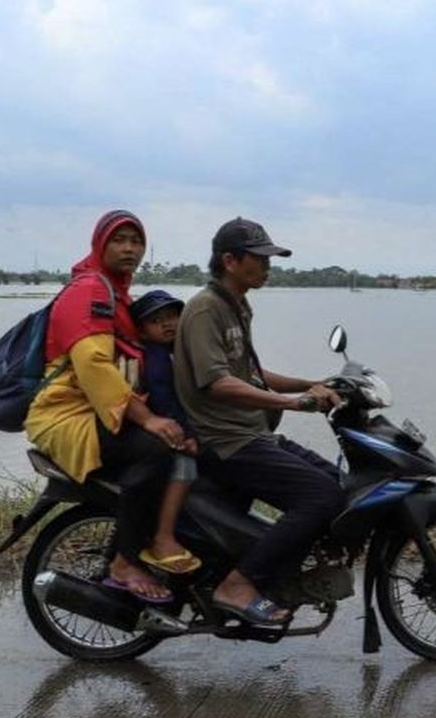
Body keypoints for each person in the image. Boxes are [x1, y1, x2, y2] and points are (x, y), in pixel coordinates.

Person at [173, 217, 344, 626]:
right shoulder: (204, 309)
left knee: (338, 487)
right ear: (230, 261)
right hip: (224, 440)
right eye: (260, 258)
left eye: (270, 259)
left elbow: (250, 373)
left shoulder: (236, 305)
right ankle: (239, 584)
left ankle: (280, 574)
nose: (268, 267)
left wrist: (312, 382)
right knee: (319, 497)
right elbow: (218, 383)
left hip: (250, 432)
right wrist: (291, 402)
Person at [25, 210, 187, 603]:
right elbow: (93, 364)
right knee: (156, 450)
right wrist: (147, 418)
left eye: (137, 241)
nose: (130, 248)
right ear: (100, 244)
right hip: (67, 415)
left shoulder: (116, 293)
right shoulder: (91, 291)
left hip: (94, 410)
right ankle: (124, 560)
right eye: (120, 239)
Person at [129, 289, 202, 575]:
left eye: (173, 316)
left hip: (166, 425)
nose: (168, 324)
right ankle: (164, 535)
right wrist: (187, 434)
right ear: (143, 332)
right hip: (162, 429)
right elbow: (164, 402)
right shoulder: (157, 357)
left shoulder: (176, 353)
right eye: (157, 320)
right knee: (185, 468)